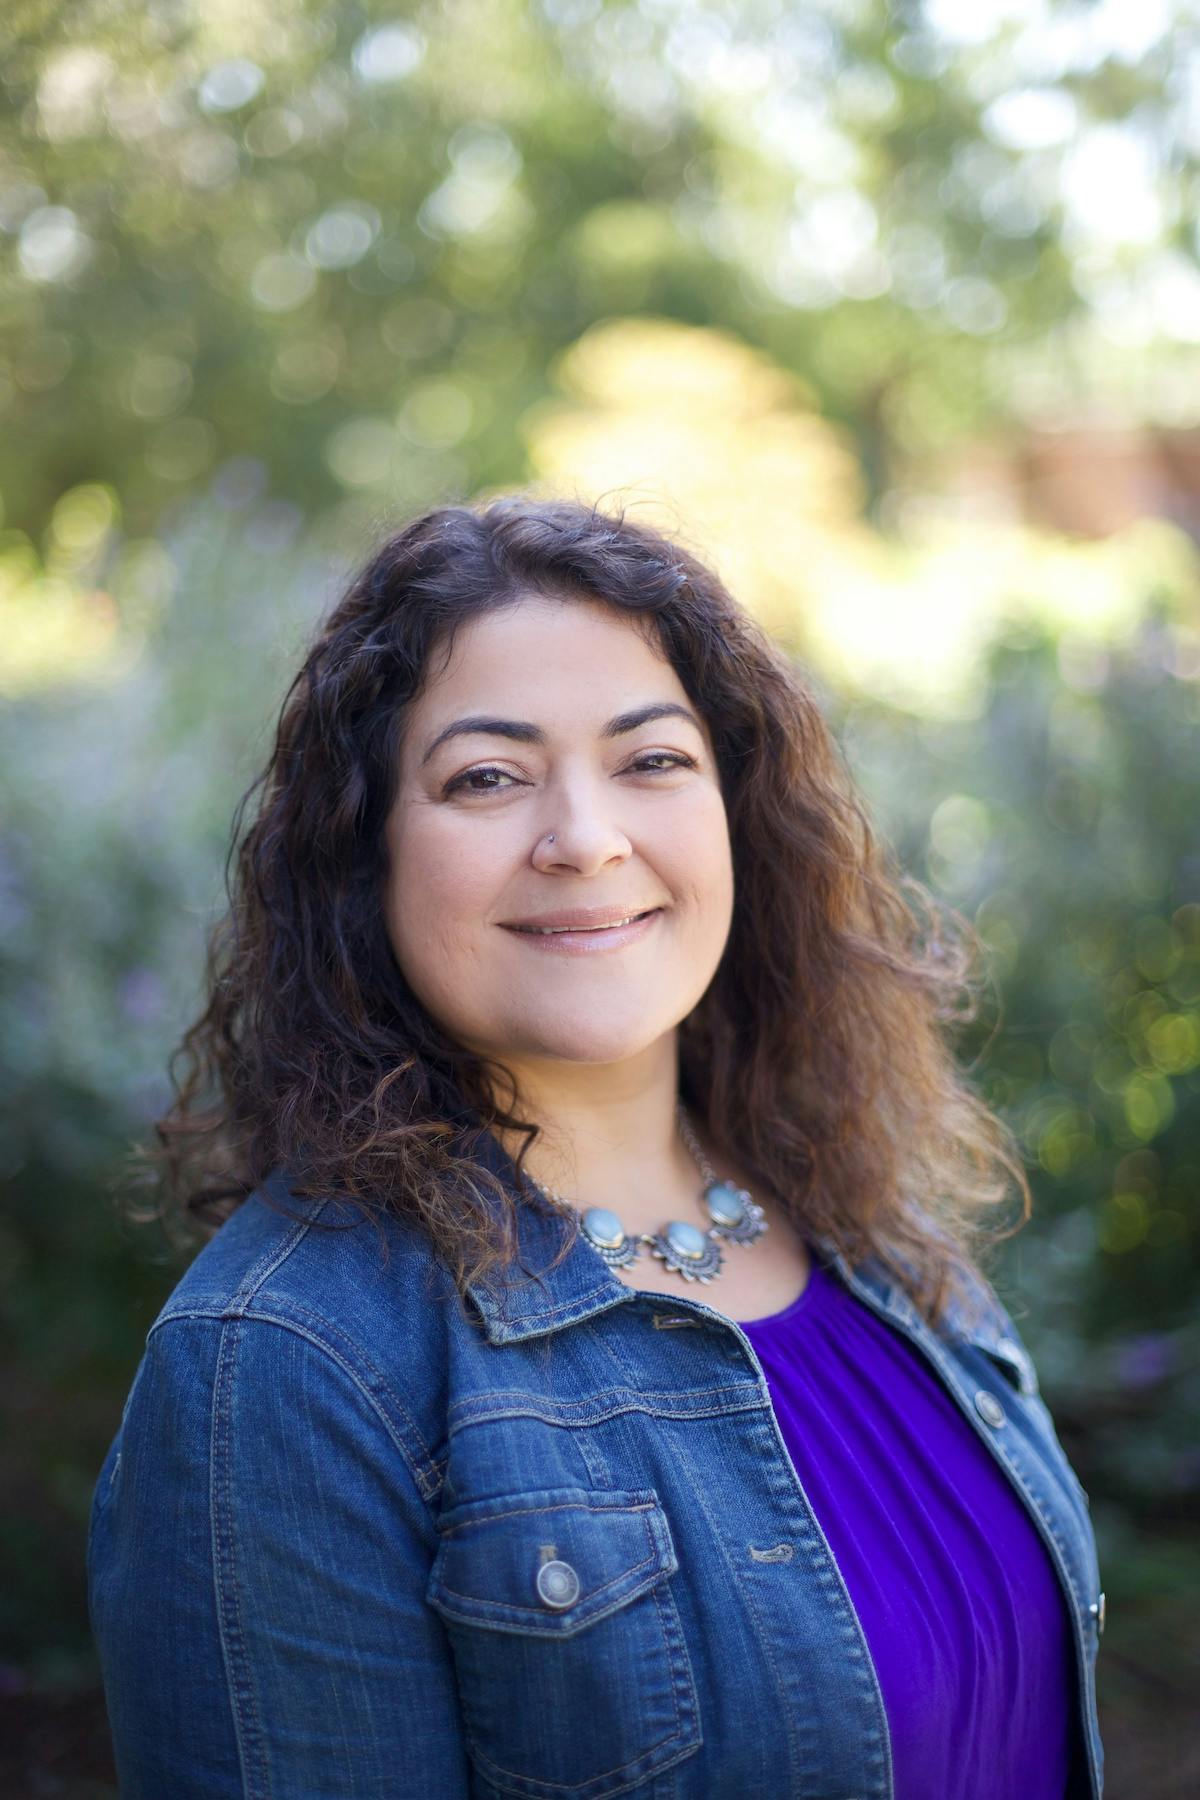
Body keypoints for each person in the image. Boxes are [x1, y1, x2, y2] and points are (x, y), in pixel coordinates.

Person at [87, 493, 1104, 1799]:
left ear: (734, 807)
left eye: (651, 759)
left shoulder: (871, 1221)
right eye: (488, 778)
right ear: (367, 856)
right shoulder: (285, 1370)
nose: (585, 837)